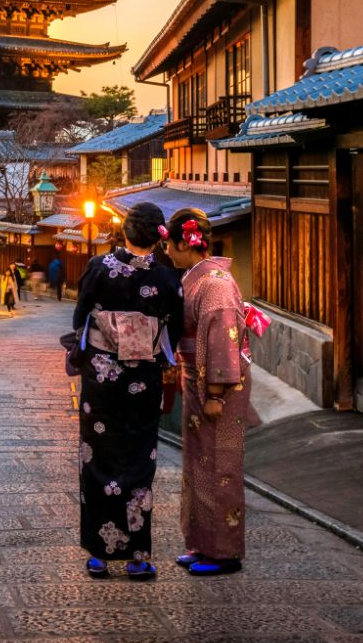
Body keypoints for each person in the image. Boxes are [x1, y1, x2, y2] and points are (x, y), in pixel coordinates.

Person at [71, 202, 183, 580]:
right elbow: (175, 329)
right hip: (143, 381)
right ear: (158, 236)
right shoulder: (168, 279)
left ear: (125, 230)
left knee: (97, 457)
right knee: (138, 460)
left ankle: (99, 555)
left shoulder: (98, 267)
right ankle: (138, 556)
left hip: (102, 379)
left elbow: (80, 316)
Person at [163, 207, 261, 575]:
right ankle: (202, 542)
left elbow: (222, 341)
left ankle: (224, 552)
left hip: (218, 385)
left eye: (168, 245)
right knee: (199, 462)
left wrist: (217, 393)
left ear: (183, 243)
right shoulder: (197, 278)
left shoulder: (215, 284)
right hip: (198, 379)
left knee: (220, 464)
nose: (166, 253)